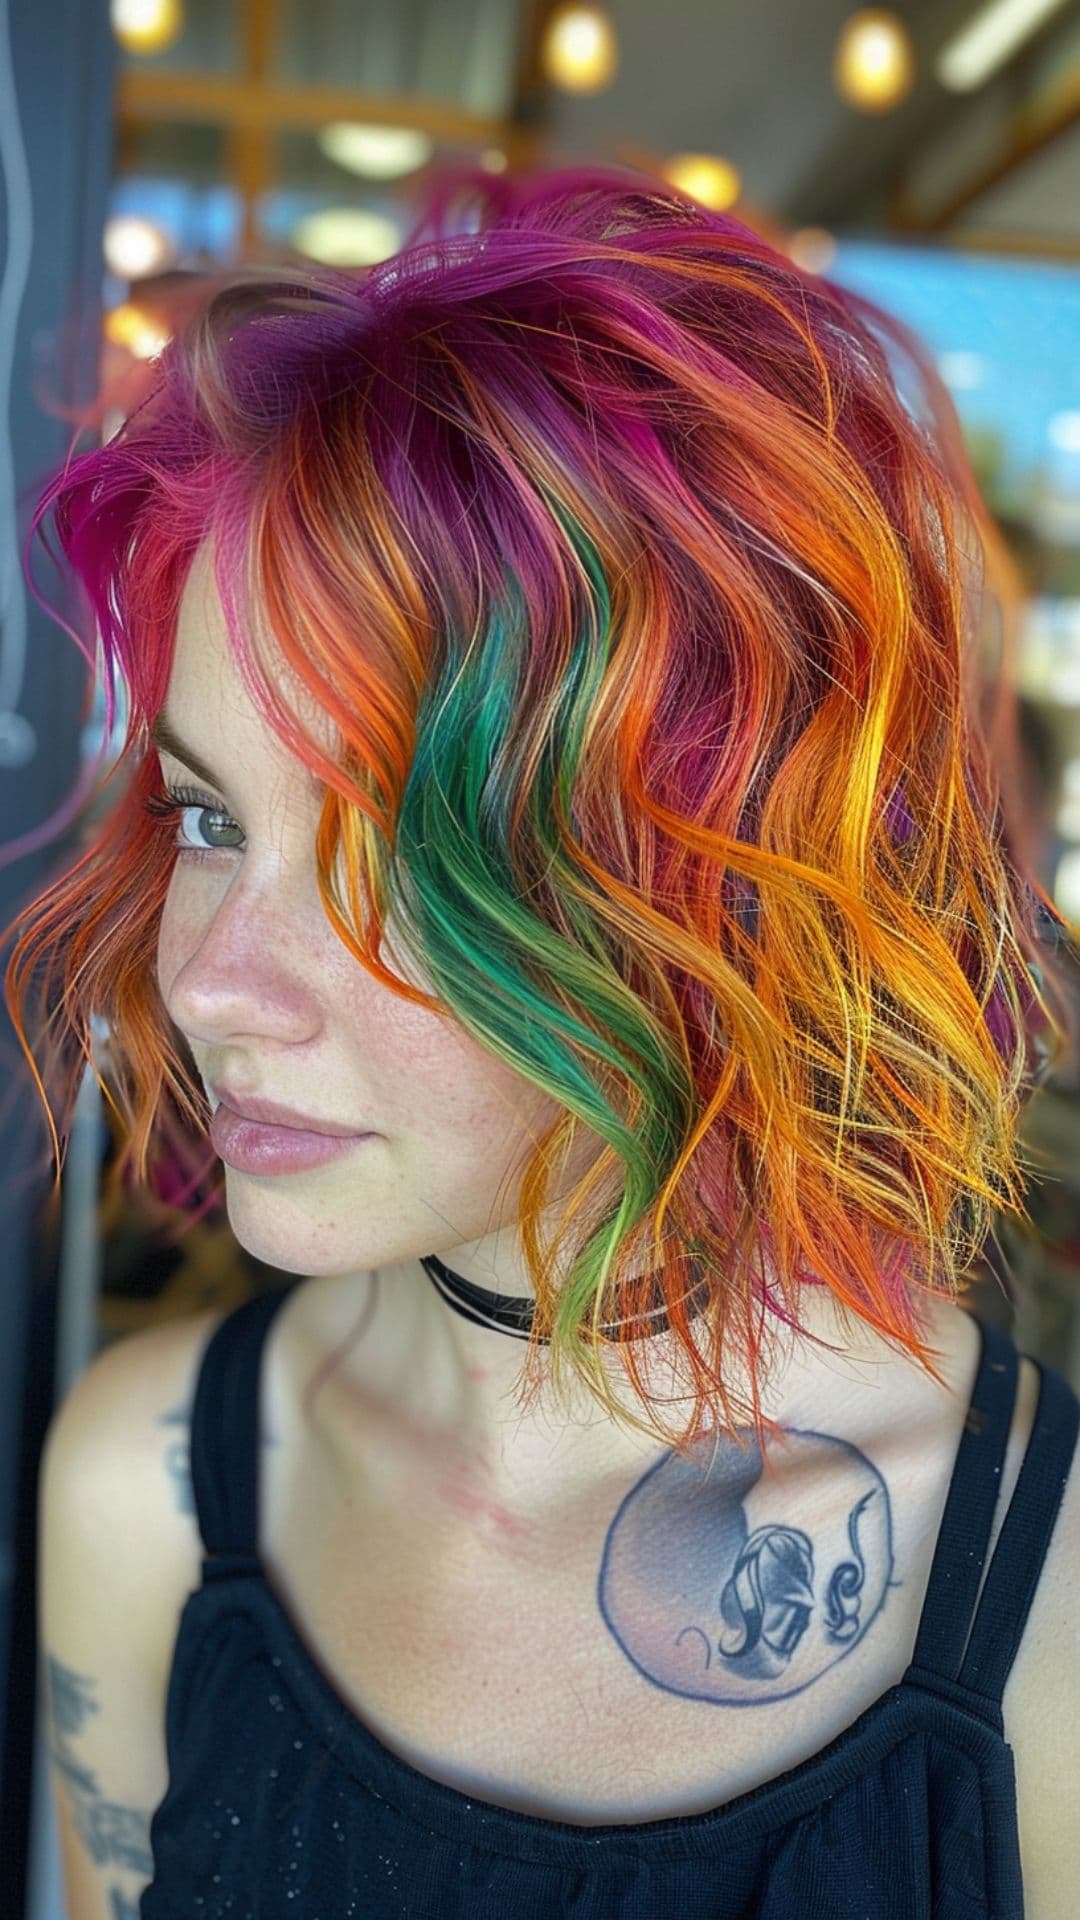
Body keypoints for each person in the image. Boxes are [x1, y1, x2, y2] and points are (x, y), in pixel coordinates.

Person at [13, 163, 1080, 1918]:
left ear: (704, 897)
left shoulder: (1033, 1600)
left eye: (392, 870)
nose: (211, 985)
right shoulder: (154, 1489)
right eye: (214, 824)